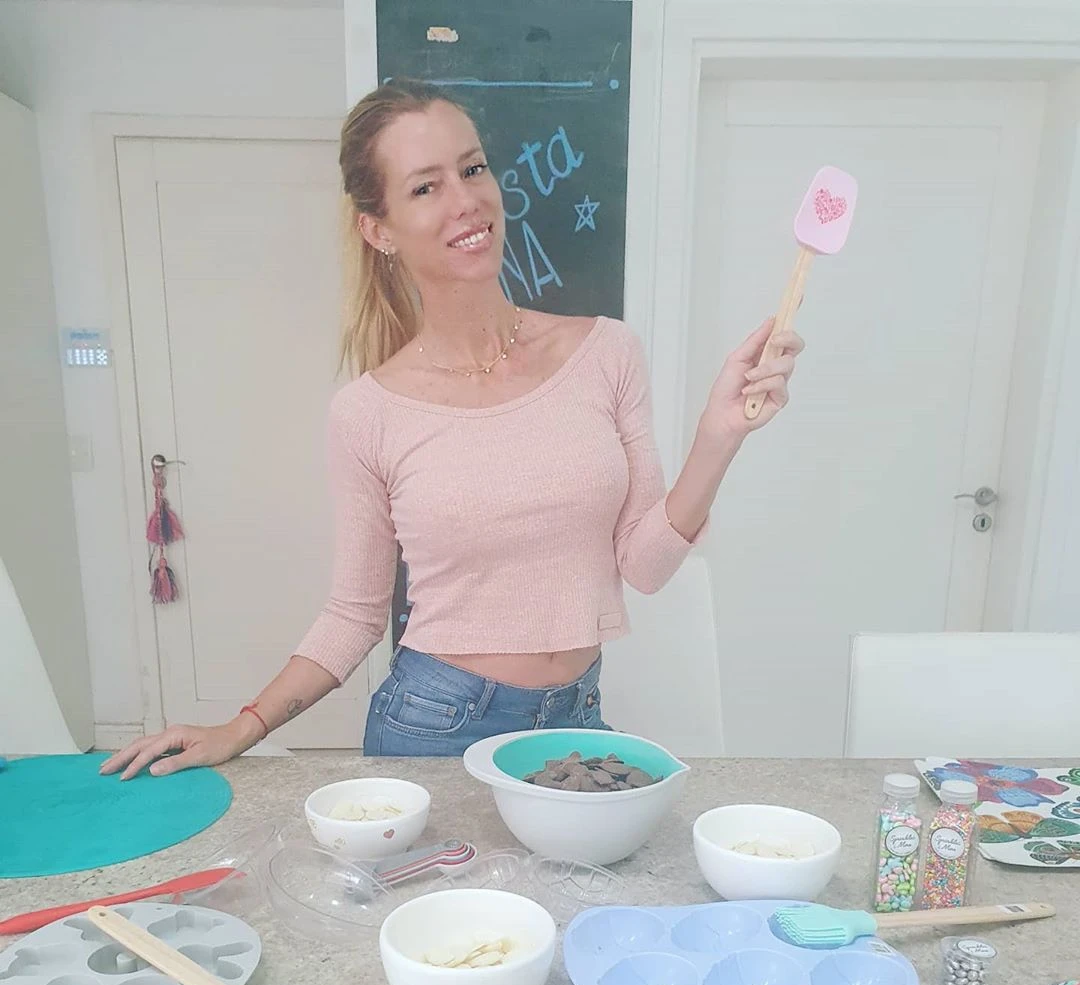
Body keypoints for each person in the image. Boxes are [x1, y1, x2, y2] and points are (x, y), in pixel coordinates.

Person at [101, 79, 802, 780]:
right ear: (378, 230)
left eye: (472, 169)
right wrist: (240, 727)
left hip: (576, 722)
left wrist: (719, 436)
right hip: (437, 727)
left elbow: (645, 567)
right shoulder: (368, 412)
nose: (465, 200)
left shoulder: (606, 352)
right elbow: (354, 615)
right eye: (425, 187)